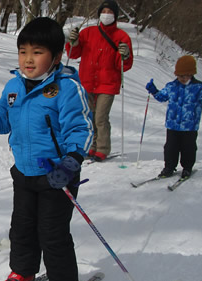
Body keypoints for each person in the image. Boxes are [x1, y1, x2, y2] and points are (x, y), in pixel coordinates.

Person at [0, 17, 93, 281]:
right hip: (23, 173)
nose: (28, 59)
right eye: (23, 51)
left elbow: (81, 128)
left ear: (56, 56)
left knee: (52, 232)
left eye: (37, 52)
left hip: (57, 176)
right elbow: (2, 117)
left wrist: (72, 162)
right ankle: (23, 272)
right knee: (21, 228)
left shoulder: (67, 88)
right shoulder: (13, 86)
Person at [64, 0, 132, 162]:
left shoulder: (121, 36)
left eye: (110, 12)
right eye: (104, 11)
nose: (106, 15)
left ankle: (102, 148)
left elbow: (122, 65)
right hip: (87, 81)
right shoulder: (88, 33)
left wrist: (125, 55)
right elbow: (74, 54)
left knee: (100, 117)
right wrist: (72, 42)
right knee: (89, 116)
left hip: (108, 84)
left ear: (115, 15)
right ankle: (91, 146)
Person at [146, 55, 202, 179]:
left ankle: (187, 167)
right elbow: (162, 97)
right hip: (172, 124)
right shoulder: (171, 86)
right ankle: (169, 167)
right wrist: (154, 90)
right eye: (180, 75)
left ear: (192, 74)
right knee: (170, 147)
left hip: (189, 125)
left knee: (188, 148)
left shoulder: (198, 88)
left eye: (186, 75)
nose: (182, 78)